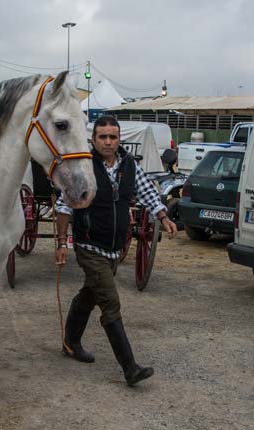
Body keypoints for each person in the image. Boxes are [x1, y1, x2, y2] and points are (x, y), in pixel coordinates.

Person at [54, 116, 178, 387]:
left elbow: (147, 193)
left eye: (113, 137)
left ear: (119, 139)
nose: (108, 142)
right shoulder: (82, 167)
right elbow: (64, 206)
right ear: (94, 140)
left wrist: (164, 216)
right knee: (110, 302)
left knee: (90, 295)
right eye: (103, 137)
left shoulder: (130, 166)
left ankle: (70, 342)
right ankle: (130, 367)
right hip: (89, 245)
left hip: (114, 248)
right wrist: (63, 243)